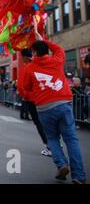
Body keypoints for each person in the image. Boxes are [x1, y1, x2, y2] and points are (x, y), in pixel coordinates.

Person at [23, 20, 87, 184]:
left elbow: (27, 87)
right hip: (64, 103)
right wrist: (42, 39)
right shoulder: (57, 59)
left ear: (35, 53)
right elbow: (58, 48)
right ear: (47, 50)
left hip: (45, 107)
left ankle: (61, 164)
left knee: (52, 138)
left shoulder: (29, 68)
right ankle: (79, 176)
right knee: (71, 139)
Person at [17, 48, 51, 157]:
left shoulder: (27, 67)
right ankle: (54, 143)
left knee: (39, 123)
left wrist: (25, 96)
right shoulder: (42, 65)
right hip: (45, 97)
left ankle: (49, 145)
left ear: (24, 57)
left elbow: (22, 86)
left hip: (32, 99)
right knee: (47, 122)